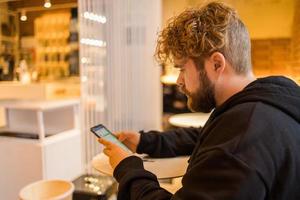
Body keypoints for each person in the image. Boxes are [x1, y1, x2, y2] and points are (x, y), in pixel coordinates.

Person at [99, 1, 300, 199]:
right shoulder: (265, 104)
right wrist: (145, 141)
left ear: (216, 64)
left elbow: (226, 146)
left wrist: (127, 168)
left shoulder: (241, 139)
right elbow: (206, 136)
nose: (179, 81)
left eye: (182, 69)